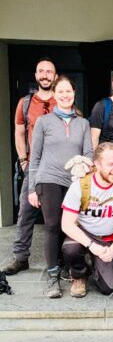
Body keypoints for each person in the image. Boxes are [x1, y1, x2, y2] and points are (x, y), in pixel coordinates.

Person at [28, 75, 93, 298]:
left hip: (75, 182)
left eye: (69, 91)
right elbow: (34, 157)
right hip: (49, 178)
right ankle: (53, 277)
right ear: (54, 95)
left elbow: (89, 154)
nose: (66, 95)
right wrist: (31, 188)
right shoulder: (44, 122)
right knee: (53, 225)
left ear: (74, 94)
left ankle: (72, 270)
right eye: (61, 91)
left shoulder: (83, 123)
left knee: (73, 225)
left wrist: (84, 170)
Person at [61, 142, 113, 298]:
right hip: (85, 235)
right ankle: (79, 275)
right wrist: (92, 246)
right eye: (111, 164)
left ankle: (97, 263)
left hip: (109, 239)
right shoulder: (80, 185)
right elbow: (67, 224)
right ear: (97, 164)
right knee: (70, 248)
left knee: (108, 287)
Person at [3, 58, 57, 276]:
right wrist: (24, 160)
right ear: (36, 76)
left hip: (56, 168)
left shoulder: (63, 100)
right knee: (26, 213)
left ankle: (59, 257)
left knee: (57, 215)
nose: (45, 75)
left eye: (49, 72)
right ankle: (21, 257)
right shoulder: (25, 103)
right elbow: (18, 132)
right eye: (41, 71)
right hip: (34, 166)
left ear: (55, 76)